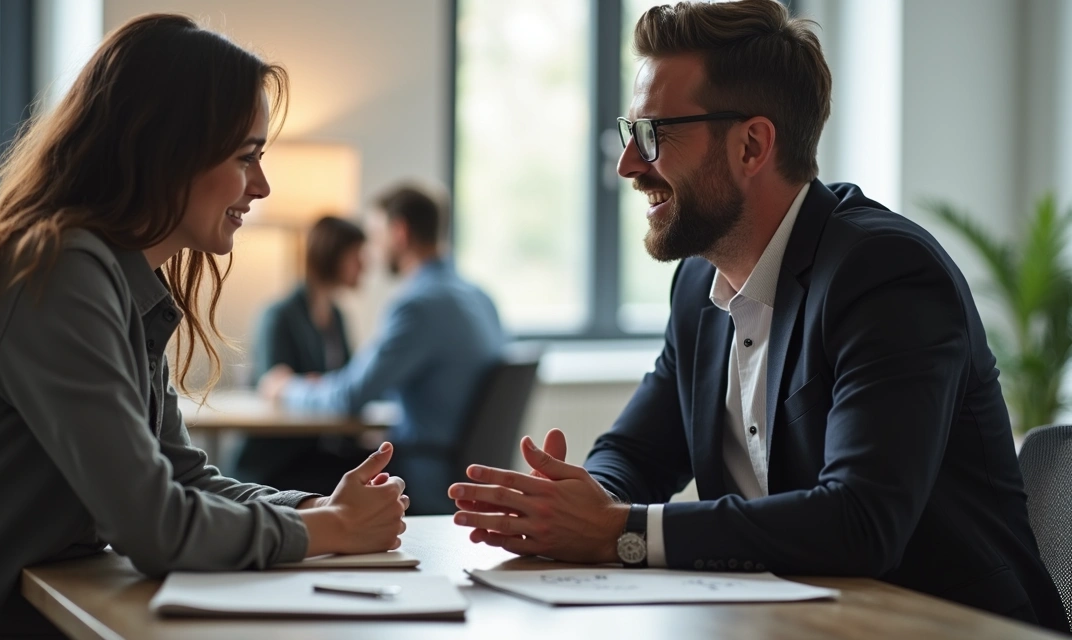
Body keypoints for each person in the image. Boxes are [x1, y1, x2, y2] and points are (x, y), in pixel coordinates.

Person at [448, 0, 1068, 632]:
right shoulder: (698, 284)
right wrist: (577, 502)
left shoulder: (885, 273)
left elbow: (861, 521)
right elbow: (637, 452)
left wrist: (620, 532)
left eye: (653, 134)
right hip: (783, 621)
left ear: (751, 144)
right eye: (628, 133)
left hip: (944, 627)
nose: (628, 165)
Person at [0, 15, 408, 639]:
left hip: (30, 608)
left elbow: (181, 477)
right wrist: (333, 529)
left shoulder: (114, 278)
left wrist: (315, 507)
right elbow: (153, 527)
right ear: (168, 151)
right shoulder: (56, 271)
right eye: (247, 157)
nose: (261, 186)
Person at [261, 184, 505, 515]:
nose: (372, 252)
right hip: (463, 471)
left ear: (399, 232)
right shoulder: (479, 296)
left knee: (276, 480)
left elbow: (349, 396)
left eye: (376, 235)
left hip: (421, 476)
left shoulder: (418, 305)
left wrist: (287, 388)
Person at [233, 215, 366, 491]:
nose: (364, 266)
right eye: (357, 256)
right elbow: (272, 383)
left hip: (317, 451)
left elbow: (349, 378)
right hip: (278, 460)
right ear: (333, 255)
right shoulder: (279, 315)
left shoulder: (337, 317)